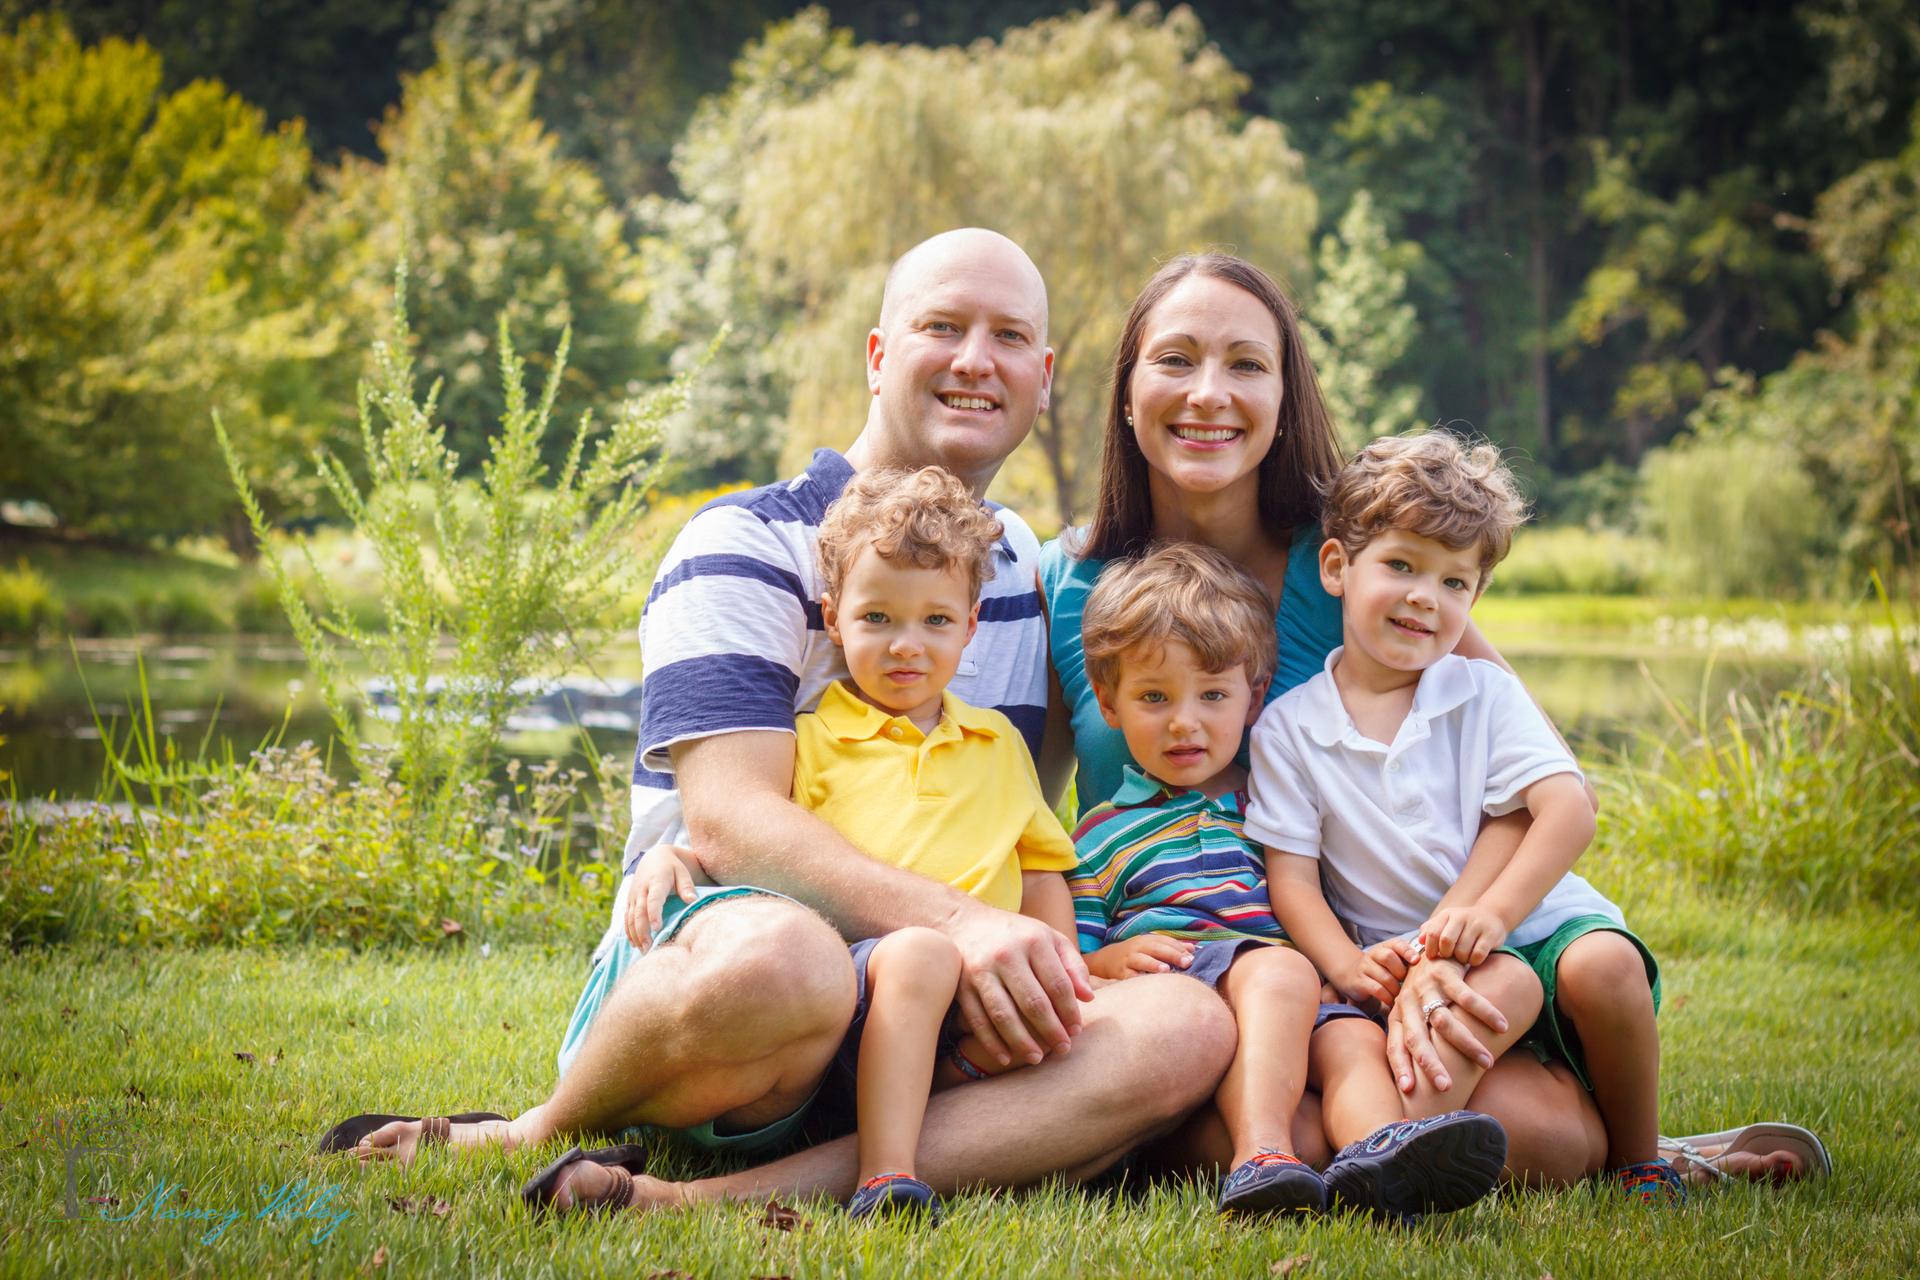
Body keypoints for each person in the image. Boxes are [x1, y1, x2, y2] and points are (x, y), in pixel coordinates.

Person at [317, 228, 1236, 1209]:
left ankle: (701, 1199)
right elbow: (730, 820)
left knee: (1185, 1024)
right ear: (877, 356)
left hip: (936, 1012)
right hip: (733, 985)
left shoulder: (1019, 565)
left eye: (1009, 336)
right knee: (792, 959)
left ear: (1044, 379)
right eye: (942, 327)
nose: (977, 360)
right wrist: (962, 921)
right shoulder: (744, 540)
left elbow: (1034, 813)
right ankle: (540, 1124)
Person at [610, 465, 1081, 1221]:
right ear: (834, 620)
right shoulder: (817, 739)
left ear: (970, 626)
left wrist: (1069, 974)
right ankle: (885, 1175)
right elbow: (755, 850)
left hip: (975, 1002)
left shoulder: (998, 744)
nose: (906, 646)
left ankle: (990, 1113)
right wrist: (672, 856)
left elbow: (1038, 871)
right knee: (921, 954)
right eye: (877, 619)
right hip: (862, 987)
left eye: (935, 621)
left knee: (1122, 1027)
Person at [1252, 432, 1682, 1204]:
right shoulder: (1289, 728)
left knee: (1604, 964)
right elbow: (1293, 879)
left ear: (1475, 599)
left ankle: (1643, 1162)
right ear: (1337, 567)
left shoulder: (1481, 693)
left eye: (1455, 582)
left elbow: (1569, 810)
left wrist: (1492, 914)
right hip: (1416, 969)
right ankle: (1397, 1155)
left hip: (1537, 934)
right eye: (1402, 566)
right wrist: (1345, 965)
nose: (1427, 596)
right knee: (1534, 1131)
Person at [1070, 541, 1508, 1219]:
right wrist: (1109, 959)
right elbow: (1073, 956)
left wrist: (1339, 967)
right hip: (1187, 1000)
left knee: (1352, 1040)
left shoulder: (1275, 804)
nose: (1184, 722)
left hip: (1301, 998)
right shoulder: (1097, 834)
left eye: (1213, 695)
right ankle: (1262, 1155)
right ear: (1108, 701)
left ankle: (1383, 1154)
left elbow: (1316, 898)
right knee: (1278, 976)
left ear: (1253, 699)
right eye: (1154, 697)